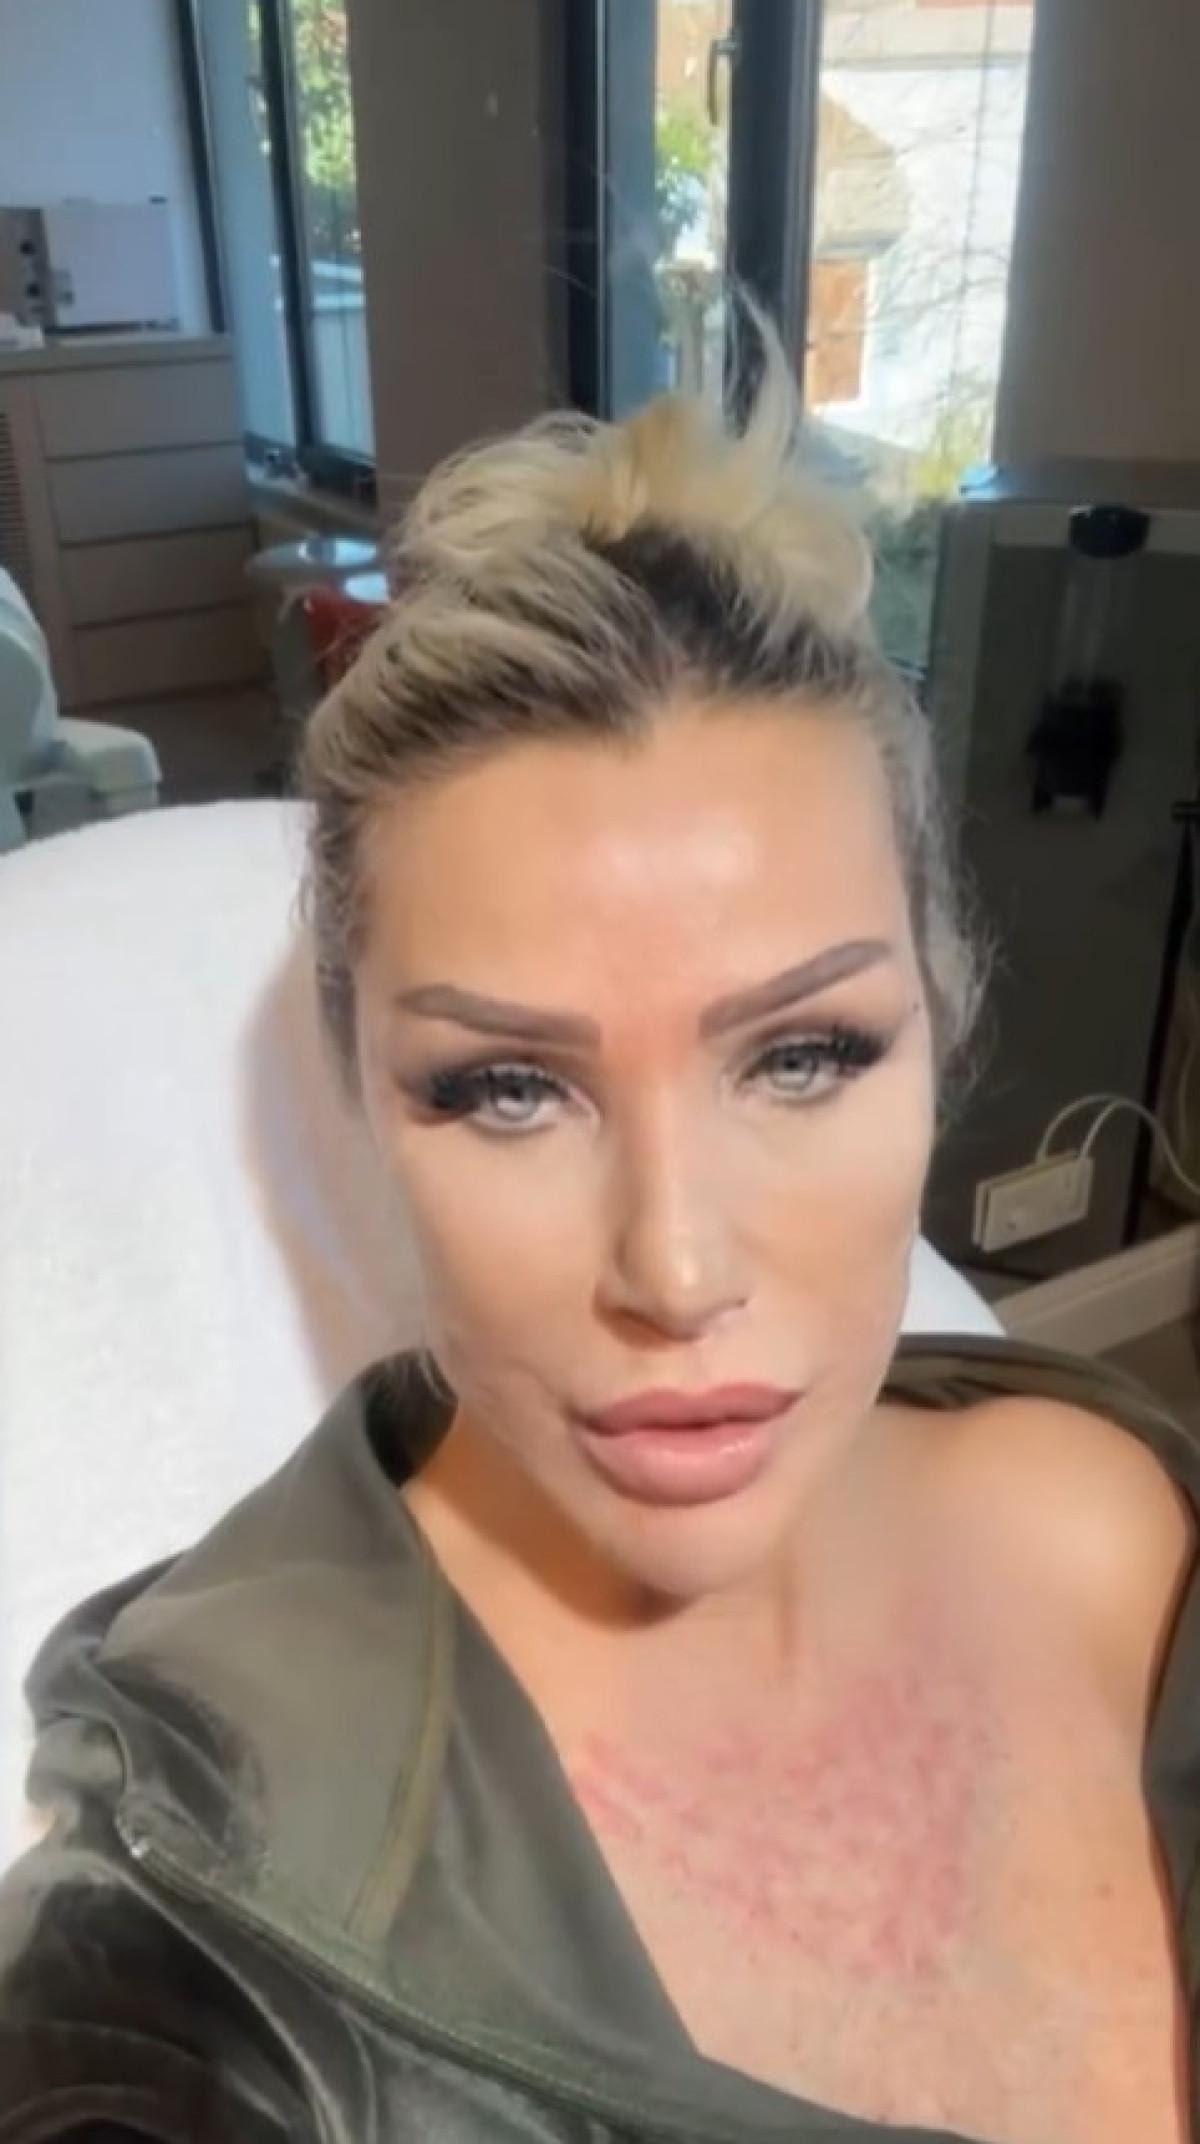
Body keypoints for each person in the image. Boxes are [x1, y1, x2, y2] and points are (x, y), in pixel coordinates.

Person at [1, 338, 1196, 2144]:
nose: (678, 1270)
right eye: (508, 1089)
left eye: (804, 1056)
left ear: (940, 1025)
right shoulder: (211, 1901)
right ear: (363, 1102)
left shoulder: (1110, 1509)